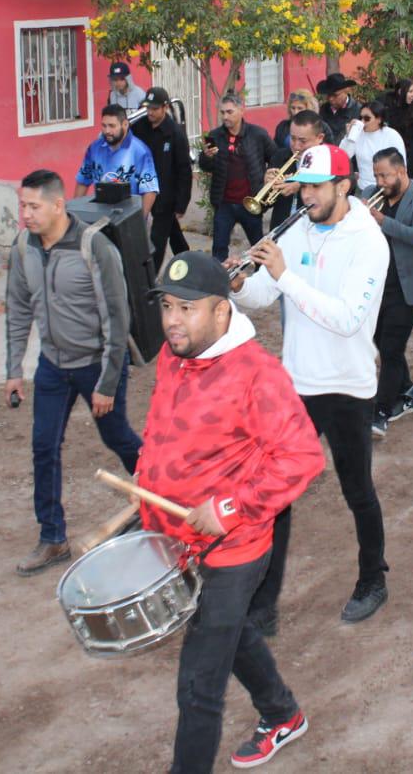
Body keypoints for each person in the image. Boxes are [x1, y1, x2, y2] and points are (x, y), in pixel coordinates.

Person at [138, 253, 324, 773]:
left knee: (198, 685)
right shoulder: (173, 355)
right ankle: (282, 714)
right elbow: (163, 430)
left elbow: (302, 457)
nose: (174, 320)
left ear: (222, 312)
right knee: (230, 631)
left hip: (233, 549)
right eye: (168, 307)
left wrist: (228, 507)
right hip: (176, 540)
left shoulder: (257, 375)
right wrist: (146, 482)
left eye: (188, 309)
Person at [230, 145, 391, 629]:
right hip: (298, 382)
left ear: (344, 186)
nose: (306, 196)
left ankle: (373, 579)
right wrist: (242, 284)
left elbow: (345, 319)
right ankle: (263, 604)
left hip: (347, 385)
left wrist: (283, 273)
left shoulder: (368, 241)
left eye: (317, 186)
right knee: (276, 497)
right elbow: (267, 295)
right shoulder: (300, 225)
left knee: (357, 488)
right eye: (302, 186)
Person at [5, 169, 141, 577]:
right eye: (22, 205)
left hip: (95, 364)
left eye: (34, 206)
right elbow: (17, 308)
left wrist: (107, 382)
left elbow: (118, 319)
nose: (26, 214)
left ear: (58, 205)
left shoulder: (93, 246)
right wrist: (13, 370)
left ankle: (161, 496)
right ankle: (53, 538)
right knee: (43, 447)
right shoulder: (22, 248)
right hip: (51, 365)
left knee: (116, 436)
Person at [365, 149, 413, 436]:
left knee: (391, 349)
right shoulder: (372, 193)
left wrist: (382, 220)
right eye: (376, 175)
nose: (380, 181)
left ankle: (380, 411)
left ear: (401, 171)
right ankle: (407, 389)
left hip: (406, 287)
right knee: (380, 342)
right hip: (376, 286)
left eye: (385, 174)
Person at [198, 95, 275, 260]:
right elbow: (205, 166)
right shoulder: (215, 136)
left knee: (259, 247)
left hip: (250, 203)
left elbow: (275, 157)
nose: (225, 116)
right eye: (222, 112)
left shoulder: (258, 134)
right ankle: (220, 281)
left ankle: (263, 279)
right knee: (219, 248)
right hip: (224, 203)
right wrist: (207, 156)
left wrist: (269, 179)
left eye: (229, 112)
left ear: (241, 110)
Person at [131, 87, 193, 268]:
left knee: (156, 241)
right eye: (148, 108)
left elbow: (184, 170)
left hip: (166, 197)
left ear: (165, 107)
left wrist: (182, 203)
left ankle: (150, 279)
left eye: (154, 108)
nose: (150, 112)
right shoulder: (139, 127)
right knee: (173, 233)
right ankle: (188, 260)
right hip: (144, 191)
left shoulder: (175, 134)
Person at [75, 103, 159, 217]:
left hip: (128, 219)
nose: (107, 131)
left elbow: (150, 191)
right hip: (99, 217)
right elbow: (83, 181)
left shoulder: (140, 151)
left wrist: (140, 222)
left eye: (112, 126)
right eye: (104, 126)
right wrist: (74, 215)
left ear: (125, 124)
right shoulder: (94, 148)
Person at [339, 97, 405, 192]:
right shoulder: (358, 134)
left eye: (367, 118)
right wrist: (348, 136)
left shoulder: (392, 135)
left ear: (379, 119)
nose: (362, 122)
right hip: (362, 187)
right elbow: (342, 156)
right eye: (360, 118)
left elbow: (401, 165)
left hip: (386, 187)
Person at [317, 74, 360, 144]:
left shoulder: (357, 110)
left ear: (346, 91)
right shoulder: (323, 109)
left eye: (335, 95)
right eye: (328, 95)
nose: (330, 99)